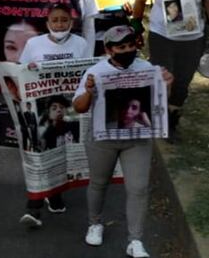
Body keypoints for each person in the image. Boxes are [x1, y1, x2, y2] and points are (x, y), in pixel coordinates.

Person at [74, 26, 173, 258]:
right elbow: (79, 107)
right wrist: (88, 91)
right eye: (121, 47)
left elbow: (159, 105)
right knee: (99, 182)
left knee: (138, 188)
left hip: (136, 138)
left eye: (131, 46)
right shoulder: (95, 71)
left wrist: (166, 86)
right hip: (103, 138)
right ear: (109, 50)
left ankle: (135, 240)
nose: (127, 50)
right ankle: (95, 223)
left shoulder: (147, 68)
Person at [132, 0, 209, 133]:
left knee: (183, 81)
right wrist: (136, 26)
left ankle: (173, 115)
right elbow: (140, 1)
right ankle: (158, 115)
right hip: (162, 36)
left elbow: (208, 5)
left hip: (193, 39)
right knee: (163, 77)